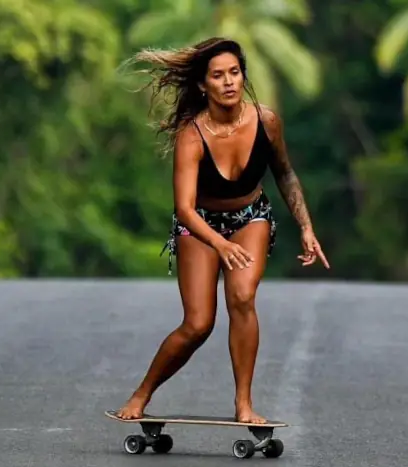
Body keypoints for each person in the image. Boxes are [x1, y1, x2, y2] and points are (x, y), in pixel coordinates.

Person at [116, 37, 329, 424]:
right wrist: (218, 244)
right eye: (218, 75)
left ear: (243, 76)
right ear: (203, 85)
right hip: (199, 225)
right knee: (198, 323)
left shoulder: (266, 122)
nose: (229, 81)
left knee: (243, 297)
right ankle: (141, 393)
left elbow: (285, 173)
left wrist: (306, 227)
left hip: (251, 216)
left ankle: (243, 403)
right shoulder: (192, 136)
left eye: (234, 72)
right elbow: (183, 208)